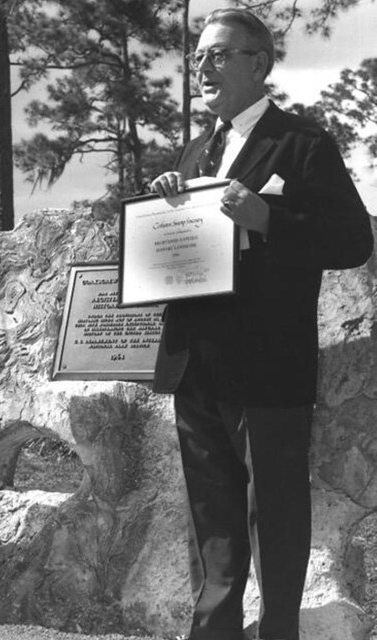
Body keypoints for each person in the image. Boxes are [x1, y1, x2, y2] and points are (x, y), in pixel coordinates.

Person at [150, 9, 373, 640]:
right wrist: (169, 203)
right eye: (198, 57)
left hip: (269, 365)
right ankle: (213, 631)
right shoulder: (196, 151)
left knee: (273, 511)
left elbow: (353, 239)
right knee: (211, 515)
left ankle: (278, 630)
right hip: (196, 360)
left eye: (218, 55)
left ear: (258, 63)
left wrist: (267, 218)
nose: (203, 67)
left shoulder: (304, 143)